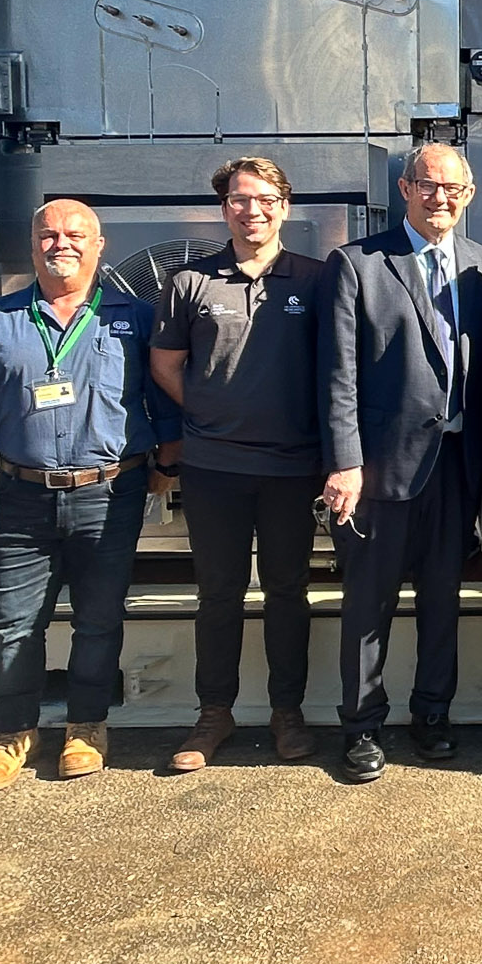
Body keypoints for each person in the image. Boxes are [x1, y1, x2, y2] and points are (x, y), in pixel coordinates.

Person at [0, 200, 180, 793]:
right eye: (48, 235)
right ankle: (11, 734)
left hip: (109, 493)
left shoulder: (137, 316)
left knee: (100, 619)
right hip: (20, 496)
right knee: (13, 623)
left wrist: (166, 463)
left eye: (76, 235)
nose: (61, 244)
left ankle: (87, 727)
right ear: (32, 245)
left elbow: (169, 396)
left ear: (99, 246)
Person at [319, 143, 482, 782]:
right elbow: (338, 377)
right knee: (368, 605)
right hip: (379, 469)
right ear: (405, 189)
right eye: (428, 186)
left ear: (470, 194)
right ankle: (362, 727)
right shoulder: (358, 264)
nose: (441, 198)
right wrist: (345, 464)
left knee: (442, 602)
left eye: (453, 188)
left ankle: (433, 716)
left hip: (458, 466)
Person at [150, 157, 325, 772]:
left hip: (291, 466)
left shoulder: (318, 279)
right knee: (218, 592)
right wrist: (209, 411)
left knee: (287, 592)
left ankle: (287, 714)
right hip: (213, 466)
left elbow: (338, 370)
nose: (252, 211)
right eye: (239, 200)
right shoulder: (189, 283)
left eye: (265, 199)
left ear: (285, 206)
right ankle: (213, 716)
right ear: (224, 208)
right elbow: (165, 363)